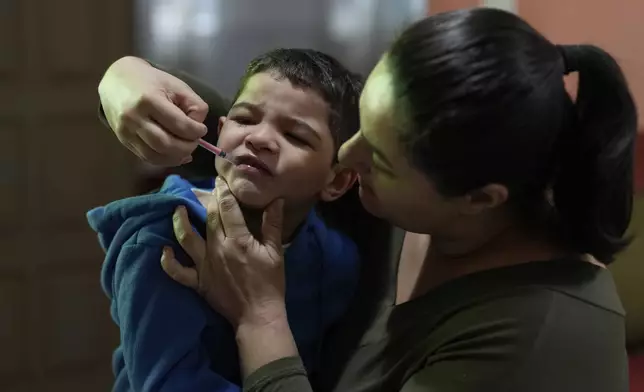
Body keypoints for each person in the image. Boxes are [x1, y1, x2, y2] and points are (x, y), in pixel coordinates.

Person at [98, 8, 637, 392]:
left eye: (376, 156)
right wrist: (122, 77)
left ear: (477, 198)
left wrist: (260, 319)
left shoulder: (544, 343)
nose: (348, 160)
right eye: (363, 129)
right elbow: (237, 125)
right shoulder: (387, 196)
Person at [88, 48, 365, 391]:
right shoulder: (163, 242)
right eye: (245, 119)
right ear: (219, 132)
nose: (259, 138)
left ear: (337, 181)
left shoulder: (336, 260)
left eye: (295, 136)